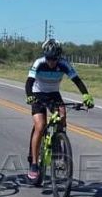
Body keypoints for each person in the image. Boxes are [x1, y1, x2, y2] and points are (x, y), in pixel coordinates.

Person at [25, 39, 94, 183]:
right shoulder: (39, 63)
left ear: (59, 56)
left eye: (54, 59)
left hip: (54, 94)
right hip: (38, 94)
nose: (51, 62)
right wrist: (30, 96)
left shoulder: (64, 64)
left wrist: (86, 95)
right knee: (40, 125)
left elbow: (77, 80)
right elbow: (29, 82)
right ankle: (34, 164)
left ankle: (60, 144)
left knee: (62, 116)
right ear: (45, 56)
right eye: (49, 59)